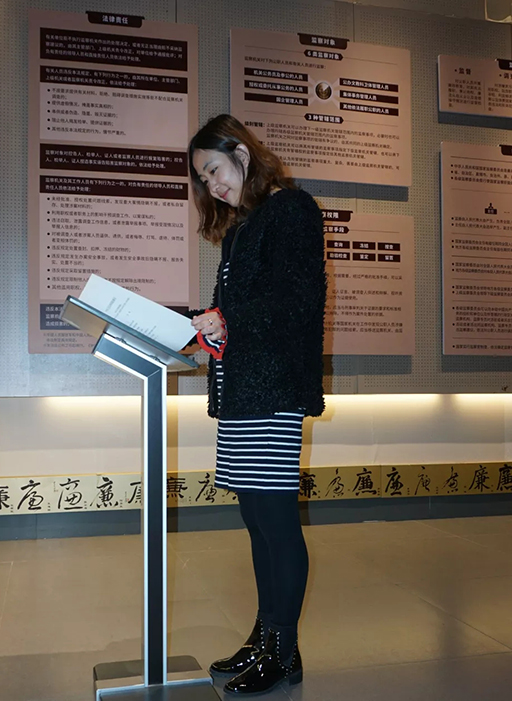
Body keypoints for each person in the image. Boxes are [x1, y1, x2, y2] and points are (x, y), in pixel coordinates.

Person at [186, 114, 326, 696]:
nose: (212, 185)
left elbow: (297, 299)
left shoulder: (291, 209)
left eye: (215, 169)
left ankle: (282, 650)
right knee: (256, 522)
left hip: (273, 389)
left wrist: (228, 319)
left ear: (241, 154)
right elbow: (245, 305)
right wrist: (211, 325)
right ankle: (266, 637)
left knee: (275, 521)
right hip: (244, 390)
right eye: (203, 179)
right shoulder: (242, 228)